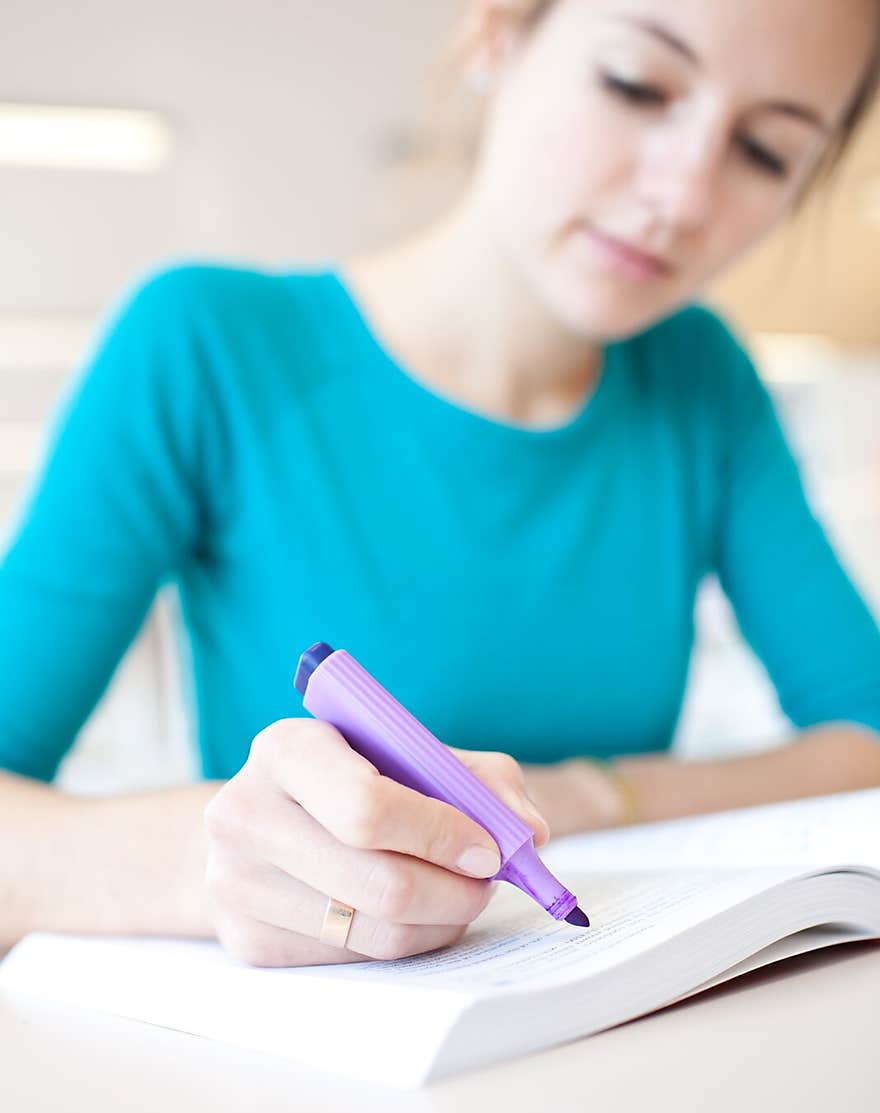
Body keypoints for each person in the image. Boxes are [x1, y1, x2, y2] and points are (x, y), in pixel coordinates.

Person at [1, 0, 879, 966]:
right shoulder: (204, 345)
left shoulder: (701, 377)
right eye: (637, 84)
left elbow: (868, 734)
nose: (682, 195)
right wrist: (216, 861)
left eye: (765, 151)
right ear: (498, 33)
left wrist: (581, 796)